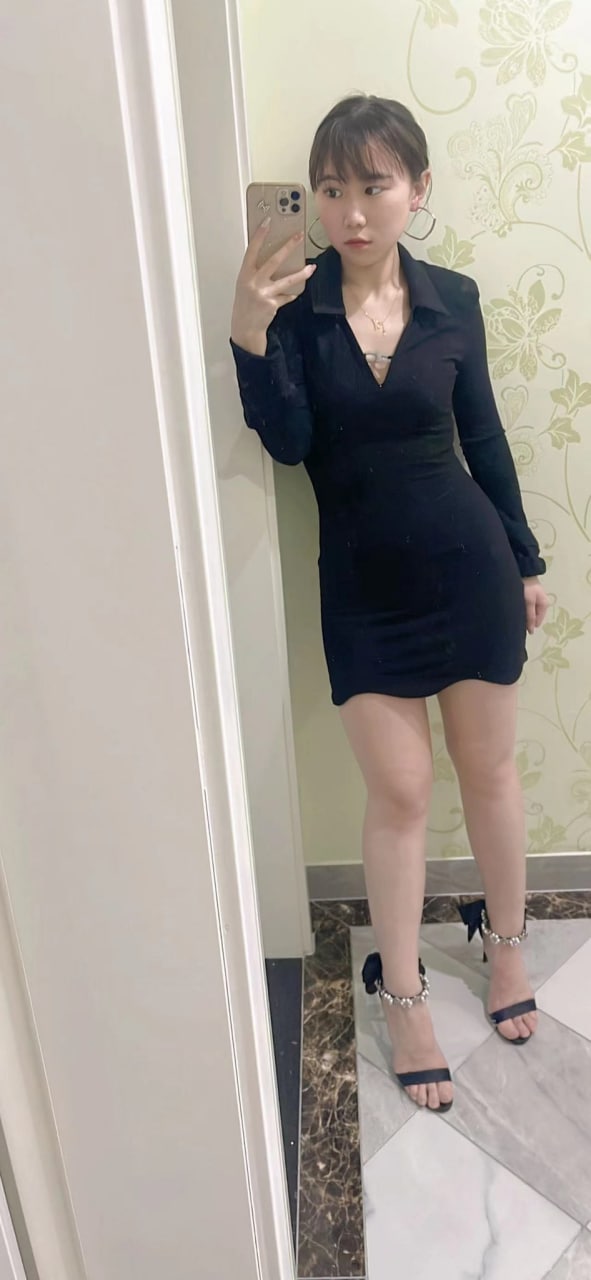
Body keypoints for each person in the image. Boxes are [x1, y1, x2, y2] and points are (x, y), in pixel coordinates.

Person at [230, 94, 549, 1114]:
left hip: (470, 568)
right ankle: (403, 994)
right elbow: (289, 445)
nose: (351, 211)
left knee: (488, 772)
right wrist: (250, 330)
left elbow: (483, 437)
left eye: (374, 185)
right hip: (364, 590)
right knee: (401, 792)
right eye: (331, 189)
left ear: (417, 190)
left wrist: (525, 559)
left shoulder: (453, 299)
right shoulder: (298, 307)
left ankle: (507, 944)